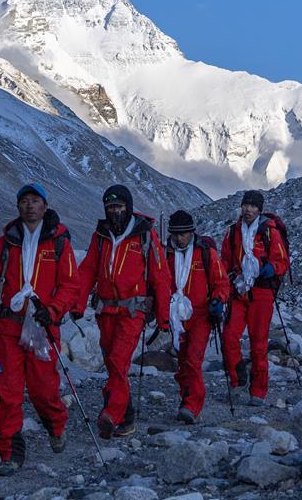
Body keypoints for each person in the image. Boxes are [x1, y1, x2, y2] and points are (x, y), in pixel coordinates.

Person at [0, 183, 79, 476]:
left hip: (42, 326)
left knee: (44, 390)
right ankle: (10, 452)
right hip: (9, 327)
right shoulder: (6, 243)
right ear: (18, 206)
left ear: (45, 206)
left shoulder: (59, 244)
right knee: (9, 391)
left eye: (35, 201)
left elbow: (70, 285)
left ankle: (55, 424)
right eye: (25, 201)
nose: (30, 206)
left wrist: (52, 310)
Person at [75, 185, 171, 439]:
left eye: (119, 206)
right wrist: (77, 304)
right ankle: (127, 417)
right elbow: (87, 270)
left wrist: (163, 317)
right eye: (110, 207)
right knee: (112, 363)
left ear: (128, 207)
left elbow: (160, 276)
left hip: (133, 310)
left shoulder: (145, 235)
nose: (114, 211)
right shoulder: (101, 235)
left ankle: (111, 414)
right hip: (105, 309)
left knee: (118, 360)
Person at [221, 190, 290, 407]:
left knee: (258, 343)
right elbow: (224, 262)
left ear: (259, 209)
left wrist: (272, 268)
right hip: (239, 291)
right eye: (245, 205)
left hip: (262, 293)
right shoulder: (233, 232)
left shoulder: (269, 232)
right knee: (229, 337)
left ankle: (258, 390)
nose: (248, 209)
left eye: (252, 206)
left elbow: (282, 262)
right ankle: (238, 379)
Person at [164, 210, 229, 423]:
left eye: (183, 234)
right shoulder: (166, 254)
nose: (179, 238)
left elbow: (221, 282)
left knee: (193, 359)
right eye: (176, 234)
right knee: (183, 362)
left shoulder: (205, 253)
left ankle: (192, 406)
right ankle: (186, 399)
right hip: (176, 316)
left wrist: (218, 300)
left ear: (192, 232)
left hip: (201, 315)